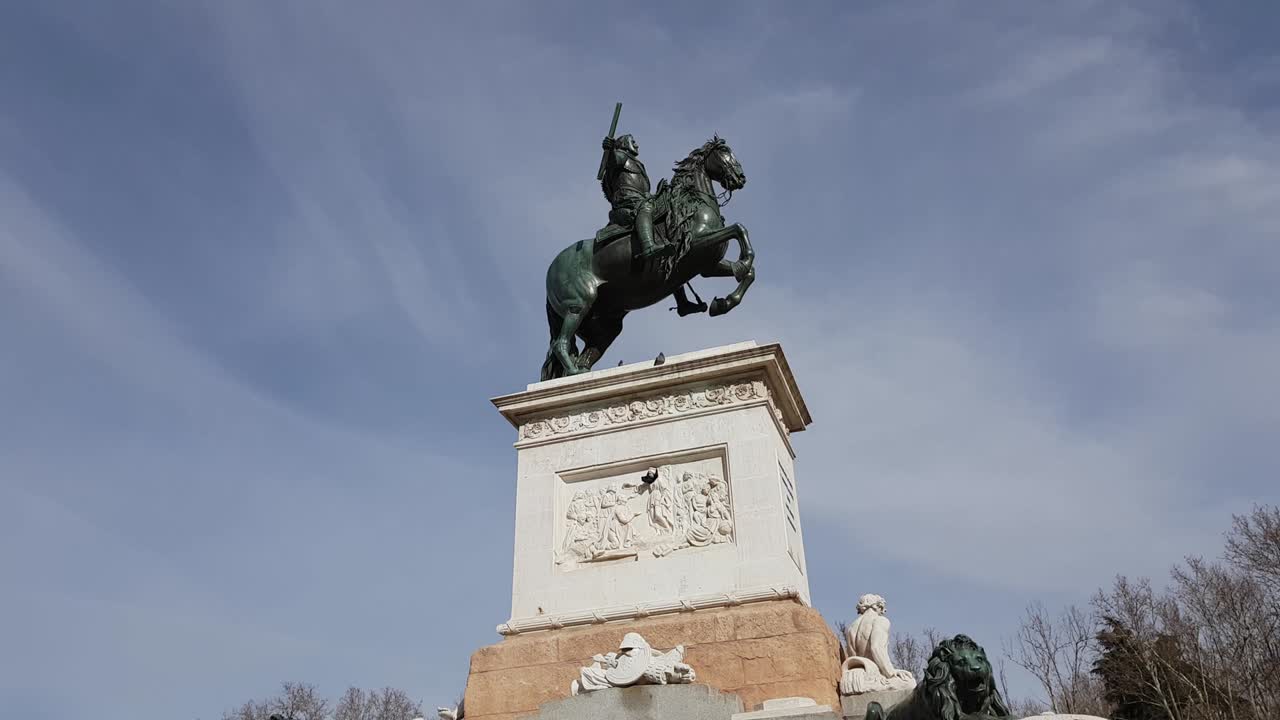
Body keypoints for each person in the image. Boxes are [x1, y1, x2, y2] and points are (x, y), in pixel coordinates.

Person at [600, 134, 672, 260]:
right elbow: (612, 161)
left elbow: (643, 191)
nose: (637, 145)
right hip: (626, 202)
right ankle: (648, 247)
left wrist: (658, 193)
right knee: (644, 208)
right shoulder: (621, 156)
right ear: (624, 144)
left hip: (638, 199)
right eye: (633, 142)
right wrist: (610, 149)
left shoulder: (634, 161)